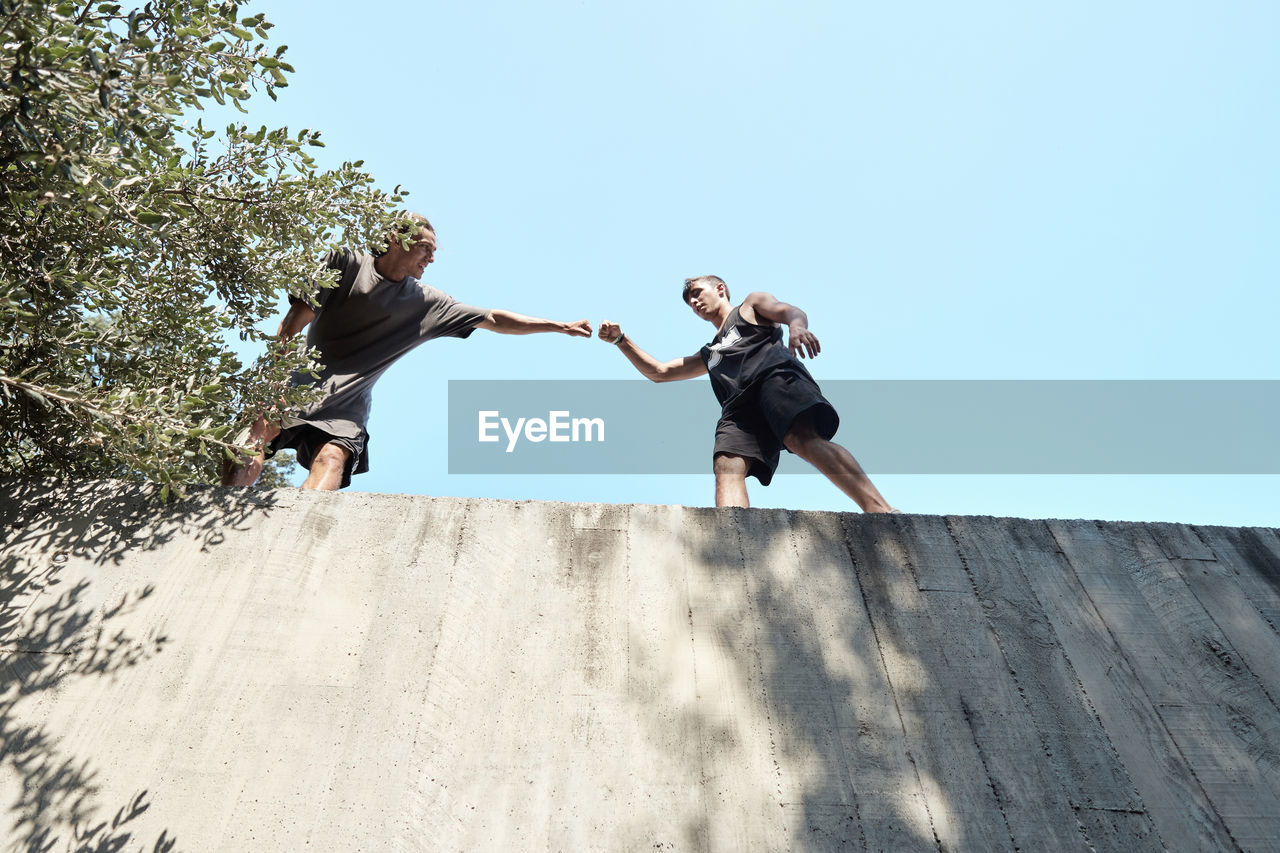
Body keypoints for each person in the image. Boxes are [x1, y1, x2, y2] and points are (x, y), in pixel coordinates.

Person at [223, 214, 591, 490]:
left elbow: (492, 317)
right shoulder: (346, 262)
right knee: (260, 428)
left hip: (346, 408)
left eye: (433, 250)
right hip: (297, 383)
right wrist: (272, 378)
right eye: (425, 248)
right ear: (396, 240)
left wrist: (559, 326)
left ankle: (296, 528)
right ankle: (227, 505)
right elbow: (293, 321)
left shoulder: (425, 303)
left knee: (334, 457)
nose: (431, 258)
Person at [597, 275, 897, 511]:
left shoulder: (749, 307)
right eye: (689, 300)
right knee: (726, 461)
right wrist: (621, 340)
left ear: (720, 289)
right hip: (738, 408)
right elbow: (659, 372)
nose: (694, 301)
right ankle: (733, 532)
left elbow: (790, 311)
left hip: (772, 378)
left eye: (697, 292)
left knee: (802, 439)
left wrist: (796, 327)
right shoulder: (710, 352)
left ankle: (879, 509)